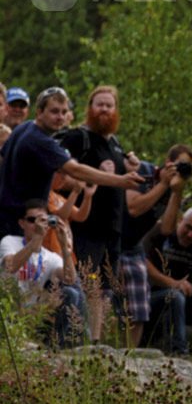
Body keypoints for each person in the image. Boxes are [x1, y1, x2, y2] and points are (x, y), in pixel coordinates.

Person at [0, 87, 143, 238]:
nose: (60, 117)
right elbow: (76, 170)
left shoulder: (24, 127)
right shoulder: (40, 140)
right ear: (39, 112)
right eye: (54, 111)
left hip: (9, 217)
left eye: (64, 112)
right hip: (19, 224)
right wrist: (121, 180)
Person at [61, 85, 142, 342]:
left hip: (113, 227)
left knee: (106, 288)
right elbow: (61, 177)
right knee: (87, 281)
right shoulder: (77, 138)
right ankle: (77, 337)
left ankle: (95, 340)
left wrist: (130, 166)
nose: (105, 110)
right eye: (100, 104)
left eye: (110, 105)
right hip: (86, 224)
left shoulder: (115, 143)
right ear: (89, 107)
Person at [119, 144, 192, 348]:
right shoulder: (143, 171)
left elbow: (168, 229)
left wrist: (176, 192)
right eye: (181, 165)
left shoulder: (173, 188)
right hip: (113, 240)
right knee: (106, 295)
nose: (183, 170)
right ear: (168, 162)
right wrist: (162, 184)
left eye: (188, 168)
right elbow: (134, 208)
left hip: (133, 246)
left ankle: (131, 354)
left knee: (139, 308)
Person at [0, 199, 86, 347]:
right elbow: (10, 266)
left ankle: (60, 348)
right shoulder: (10, 241)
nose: (37, 224)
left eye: (43, 220)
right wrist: (36, 240)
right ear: (22, 223)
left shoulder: (50, 256)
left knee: (71, 293)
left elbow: (70, 279)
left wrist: (65, 248)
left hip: (35, 314)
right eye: (32, 220)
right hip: (9, 311)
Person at [143, 207, 192, 355]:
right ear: (180, 220)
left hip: (180, 304)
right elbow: (142, 263)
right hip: (150, 301)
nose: (191, 235)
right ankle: (180, 351)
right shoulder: (161, 231)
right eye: (189, 228)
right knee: (175, 296)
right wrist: (173, 283)